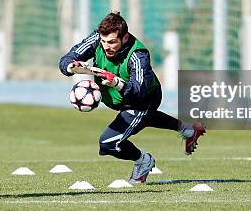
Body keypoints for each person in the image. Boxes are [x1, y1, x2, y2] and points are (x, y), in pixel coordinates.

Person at [59, 12, 206, 183]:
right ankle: (189, 130)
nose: (107, 46)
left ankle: (144, 161)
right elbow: (68, 58)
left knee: (108, 142)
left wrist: (116, 83)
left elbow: (138, 91)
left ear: (125, 38)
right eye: (104, 41)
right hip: (125, 101)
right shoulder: (97, 39)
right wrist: (71, 66)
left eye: (112, 42)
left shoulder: (138, 55)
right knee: (144, 119)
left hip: (143, 99)